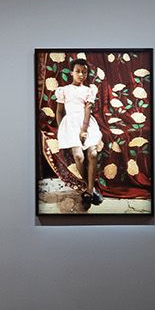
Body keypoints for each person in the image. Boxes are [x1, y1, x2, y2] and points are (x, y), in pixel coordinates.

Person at [53, 58, 104, 207]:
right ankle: (91, 188)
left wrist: (84, 130)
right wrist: (63, 129)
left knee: (92, 154)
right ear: (72, 73)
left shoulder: (89, 90)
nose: (81, 74)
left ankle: (88, 191)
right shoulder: (64, 90)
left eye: (84, 72)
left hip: (86, 123)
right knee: (78, 156)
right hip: (70, 125)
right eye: (78, 71)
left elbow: (88, 110)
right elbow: (59, 111)